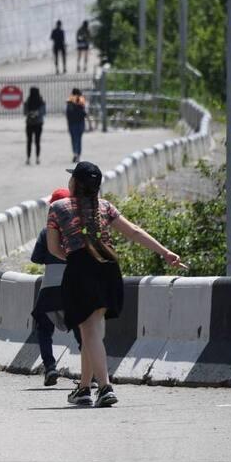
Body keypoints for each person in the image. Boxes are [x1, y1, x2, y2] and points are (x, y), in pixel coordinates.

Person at [46, 161, 185, 407]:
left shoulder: (58, 207)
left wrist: (77, 257)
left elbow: (53, 248)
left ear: (74, 183)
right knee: (93, 331)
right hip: (109, 267)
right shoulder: (106, 207)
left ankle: (105, 387)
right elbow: (134, 231)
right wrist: (165, 253)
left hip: (81, 269)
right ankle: (84, 388)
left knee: (88, 331)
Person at [30, 188, 83, 386]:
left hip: (50, 288)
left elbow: (36, 257)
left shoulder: (46, 232)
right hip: (73, 287)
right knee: (82, 331)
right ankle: (92, 373)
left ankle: (50, 367)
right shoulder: (78, 230)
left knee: (44, 329)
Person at [24, 87, 46, 166]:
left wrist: (31, 113)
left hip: (30, 123)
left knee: (29, 141)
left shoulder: (28, 101)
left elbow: (25, 112)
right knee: (37, 141)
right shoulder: (41, 101)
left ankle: (28, 158)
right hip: (38, 123)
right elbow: (43, 112)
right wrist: (36, 113)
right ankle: (37, 158)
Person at [66, 89, 88, 164]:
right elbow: (85, 112)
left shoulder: (70, 101)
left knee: (73, 139)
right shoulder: (81, 100)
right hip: (80, 123)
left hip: (72, 123)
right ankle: (78, 155)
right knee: (79, 139)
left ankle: (75, 153)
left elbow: (67, 114)